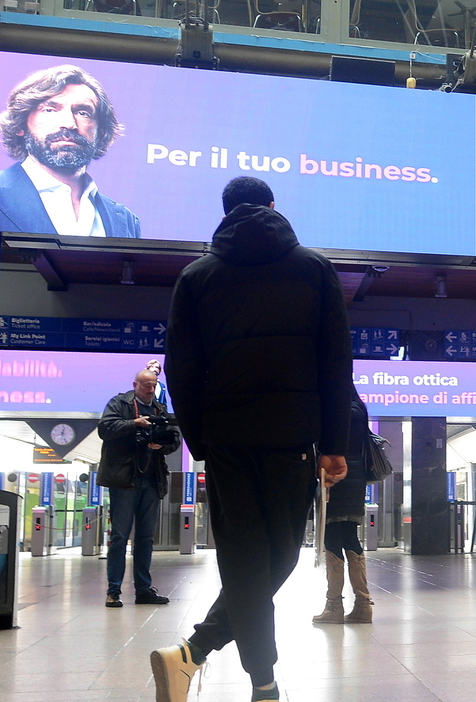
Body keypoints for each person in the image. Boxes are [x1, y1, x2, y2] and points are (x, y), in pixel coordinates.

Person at [154, 176, 353, 702]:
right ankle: (229, 668)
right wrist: (335, 442)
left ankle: (214, 663)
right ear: (271, 206)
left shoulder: (196, 276)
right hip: (293, 439)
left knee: (245, 560)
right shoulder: (313, 269)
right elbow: (336, 363)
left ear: (223, 212)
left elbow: (181, 369)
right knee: (281, 557)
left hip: (228, 441)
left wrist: (201, 439)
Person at [0, 65, 141, 238]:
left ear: (100, 132)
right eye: (50, 110)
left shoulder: (124, 221)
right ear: (21, 125)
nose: (69, 123)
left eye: (83, 112)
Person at [96, 369, 178, 608]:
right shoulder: (118, 403)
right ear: (135, 385)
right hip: (124, 479)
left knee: (145, 538)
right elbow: (105, 429)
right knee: (120, 537)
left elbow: (174, 440)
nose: (150, 390)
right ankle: (114, 591)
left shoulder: (160, 409)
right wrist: (134, 424)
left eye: (153, 386)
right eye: (145, 386)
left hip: (152, 480)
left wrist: (159, 445)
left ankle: (143, 590)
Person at [312, 387, 373, 625]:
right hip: (355, 481)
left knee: (332, 539)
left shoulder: (340, 413)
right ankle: (363, 605)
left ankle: (334, 606)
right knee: (349, 536)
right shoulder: (359, 410)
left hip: (337, 478)